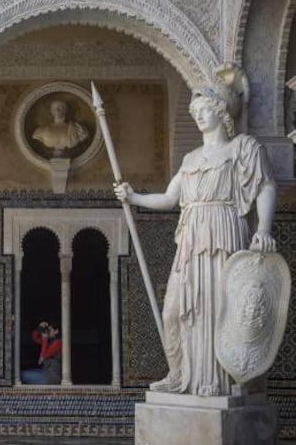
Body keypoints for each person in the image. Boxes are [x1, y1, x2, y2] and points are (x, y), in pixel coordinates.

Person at [114, 79, 277, 396]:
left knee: (218, 305)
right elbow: (168, 199)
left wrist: (264, 229)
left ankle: (219, 379)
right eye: (195, 111)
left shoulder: (243, 147)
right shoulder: (190, 159)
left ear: (221, 111)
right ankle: (182, 374)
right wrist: (133, 197)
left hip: (223, 229)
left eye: (204, 109)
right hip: (191, 237)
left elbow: (266, 186)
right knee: (176, 310)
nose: (199, 116)